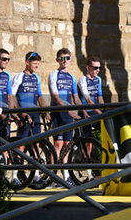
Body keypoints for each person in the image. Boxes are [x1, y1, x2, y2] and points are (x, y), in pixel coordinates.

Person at [11, 52, 51, 186]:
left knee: (36, 144)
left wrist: (46, 111)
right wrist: (19, 113)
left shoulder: (36, 78)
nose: (36, 66)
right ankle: (14, 176)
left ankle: (36, 176)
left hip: (34, 115)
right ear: (27, 62)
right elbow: (12, 95)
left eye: (38, 64)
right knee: (20, 145)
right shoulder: (19, 77)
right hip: (24, 114)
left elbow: (40, 96)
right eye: (34, 64)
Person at [48, 48, 82, 186]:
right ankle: (52, 177)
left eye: (67, 58)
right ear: (57, 60)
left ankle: (66, 176)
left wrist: (82, 111)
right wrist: (69, 111)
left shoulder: (72, 77)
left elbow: (76, 97)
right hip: (58, 112)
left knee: (68, 145)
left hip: (68, 113)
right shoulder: (53, 74)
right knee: (58, 144)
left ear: (70, 59)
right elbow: (55, 97)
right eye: (61, 58)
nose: (64, 61)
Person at [78, 56, 104, 136]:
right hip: (85, 112)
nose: (98, 70)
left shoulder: (98, 79)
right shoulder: (83, 80)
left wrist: (104, 110)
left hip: (95, 111)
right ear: (88, 67)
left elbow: (100, 97)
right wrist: (101, 113)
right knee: (87, 141)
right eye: (95, 68)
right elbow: (88, 100)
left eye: (99, 68)